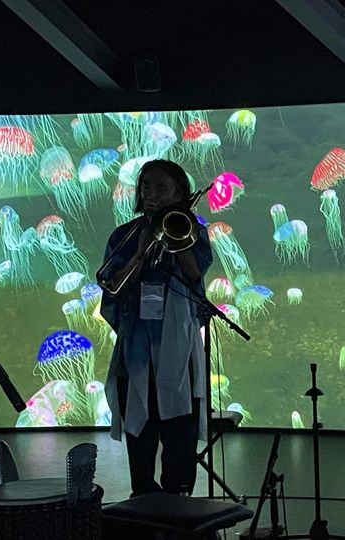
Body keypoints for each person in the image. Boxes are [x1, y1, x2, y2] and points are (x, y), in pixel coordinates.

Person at [99, 159, 213, 497]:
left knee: (180, 436)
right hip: (137, 350)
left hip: (178, 351)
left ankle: (179, 501)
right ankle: (144, 501)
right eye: (146, 186)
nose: (151, 193)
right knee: (141, 435)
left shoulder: (191, 230)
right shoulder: (124, 236)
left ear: (179, 193)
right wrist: (141, 250)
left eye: (161, 187)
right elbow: (113, 288)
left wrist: (177, 242)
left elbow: (194, 274)